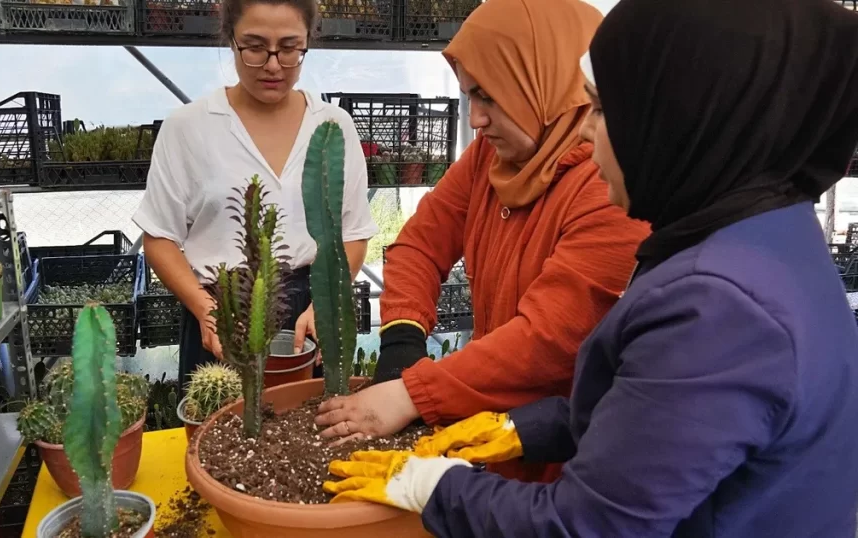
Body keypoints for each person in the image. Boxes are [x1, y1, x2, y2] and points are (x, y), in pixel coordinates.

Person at [321, 0, 858, 536]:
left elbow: (588, 524)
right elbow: (652, 414)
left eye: (601, 109)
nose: (583, 130)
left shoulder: (717, 305)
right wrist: (523, 427)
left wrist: (434, 487)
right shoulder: (764, 230)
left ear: (675, 116)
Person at [314, 0, 649, 484]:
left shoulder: (607, 188)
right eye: (469, 95)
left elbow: (547, 341)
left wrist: (413, 393)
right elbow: (420, 244)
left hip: (567, 461)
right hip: (492, 436)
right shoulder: (490, 161)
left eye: (489, 97)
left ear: (543, 83)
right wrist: (402, 338)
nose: (475, 119)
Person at [132, 0, 377, 390]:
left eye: (290, 48)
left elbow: (354, 233)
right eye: (255, 47)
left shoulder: (333, 127)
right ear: (231, 40)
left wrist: (325, 305)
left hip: (309, 308)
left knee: (311, 422)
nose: (273, 65)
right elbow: (159, 237)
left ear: (308, 42)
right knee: (221, 419)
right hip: (222, 308)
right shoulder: (188, 127)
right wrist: (207, 310)